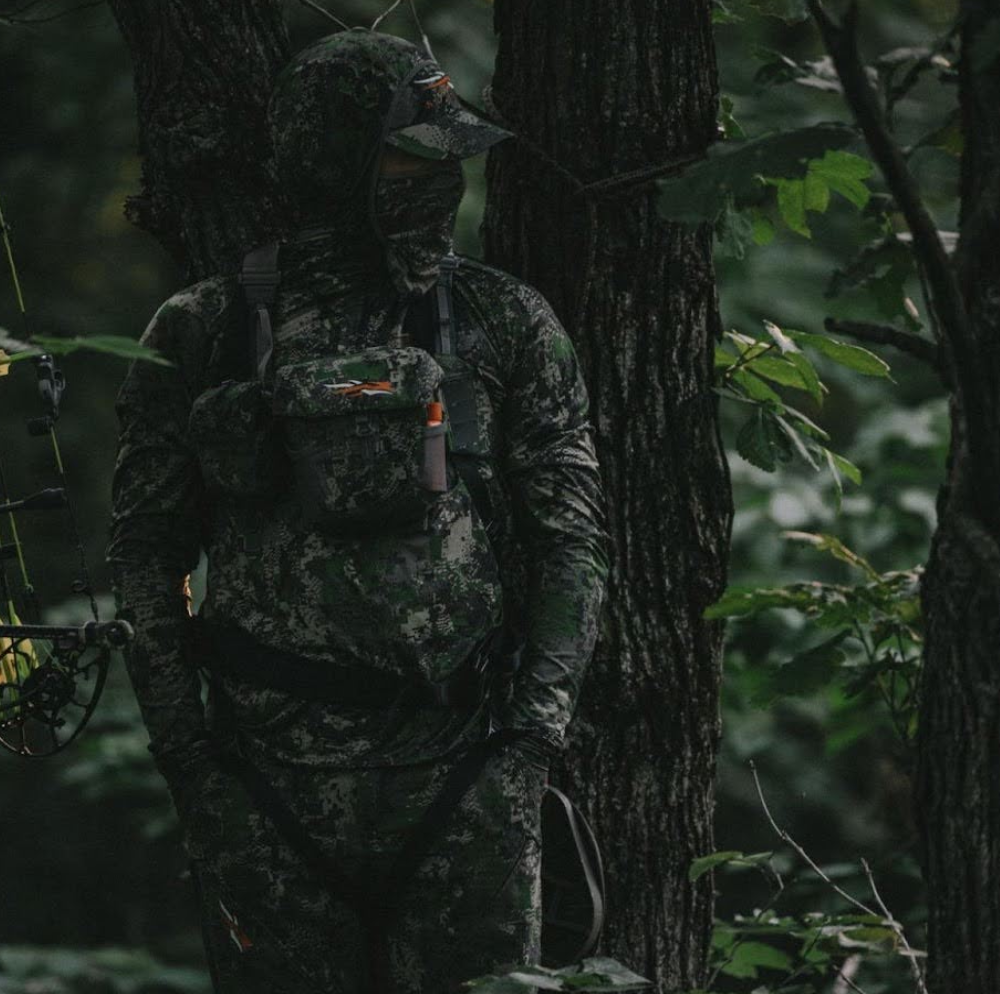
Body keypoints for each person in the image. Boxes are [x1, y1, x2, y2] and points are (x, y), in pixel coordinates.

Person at [109, 26, 610, 994]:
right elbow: (145, 553)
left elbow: (572, 541)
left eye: (445, 160)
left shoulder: (503, 320)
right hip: (267, 785)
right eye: (410, 159)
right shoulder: (206, 328)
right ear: (335, 162)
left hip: (465, 773)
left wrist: (529, 742)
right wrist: (191, 760)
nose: (441, 183)